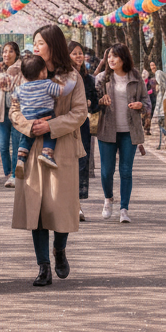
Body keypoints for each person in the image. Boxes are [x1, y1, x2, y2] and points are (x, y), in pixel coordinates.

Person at [10, 25, 87, 287]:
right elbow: (15, 109)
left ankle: (59, 251)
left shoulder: (71, 77)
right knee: (38, 210)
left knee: (61, 207)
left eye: (40, 43)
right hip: (32, 149)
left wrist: (51, 126)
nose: (36, 47)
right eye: (34, 42)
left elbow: (79, 113)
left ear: (53, 46)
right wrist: (29, 126)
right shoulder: (28, 72)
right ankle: (43, 266)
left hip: (62, 147)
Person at [95, 44, 150, 223]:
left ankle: (124, 209)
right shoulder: (102, 78)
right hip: (107, 130)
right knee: (106, 171)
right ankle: (108, 199)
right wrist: (100, 101)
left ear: (123, 58)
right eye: (109, 56)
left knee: (126, 171)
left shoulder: (135, 77)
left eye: (115, 56)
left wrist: (141, 106)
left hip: (129, 131)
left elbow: (147, 102)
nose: (111, 60)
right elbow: (92, 102)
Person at [13, 54, 77, 174]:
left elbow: (13, 98)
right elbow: (63, 91)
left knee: (26, 137)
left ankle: (21, 159)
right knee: (50, 132)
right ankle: (47, 153)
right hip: (45, 114)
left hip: (28, 117)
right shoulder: (47, 84)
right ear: (43, 72)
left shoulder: (20, 88)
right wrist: (72, 80)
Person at [68, 40, 99, 221]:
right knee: (68, 164)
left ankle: (77, 204)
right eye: (74, 53)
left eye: (80, 53)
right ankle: (69, 203)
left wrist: (93, 103)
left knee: (81, 164)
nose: (79, 56)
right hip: (67, 125)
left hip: (83, 126)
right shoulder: (63, 76)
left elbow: (94, 104)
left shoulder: (88, 79)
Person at [0, 41, 22, 188]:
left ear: (16, 53)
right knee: (3, 145)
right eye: (4, 51)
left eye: (10, 51)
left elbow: (15, 84)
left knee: (16, 144)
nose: (6, 54)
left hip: (16, 112)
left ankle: (15, 175)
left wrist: (9, 75)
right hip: (1, 111)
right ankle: (8, 173)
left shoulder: (23, 69)